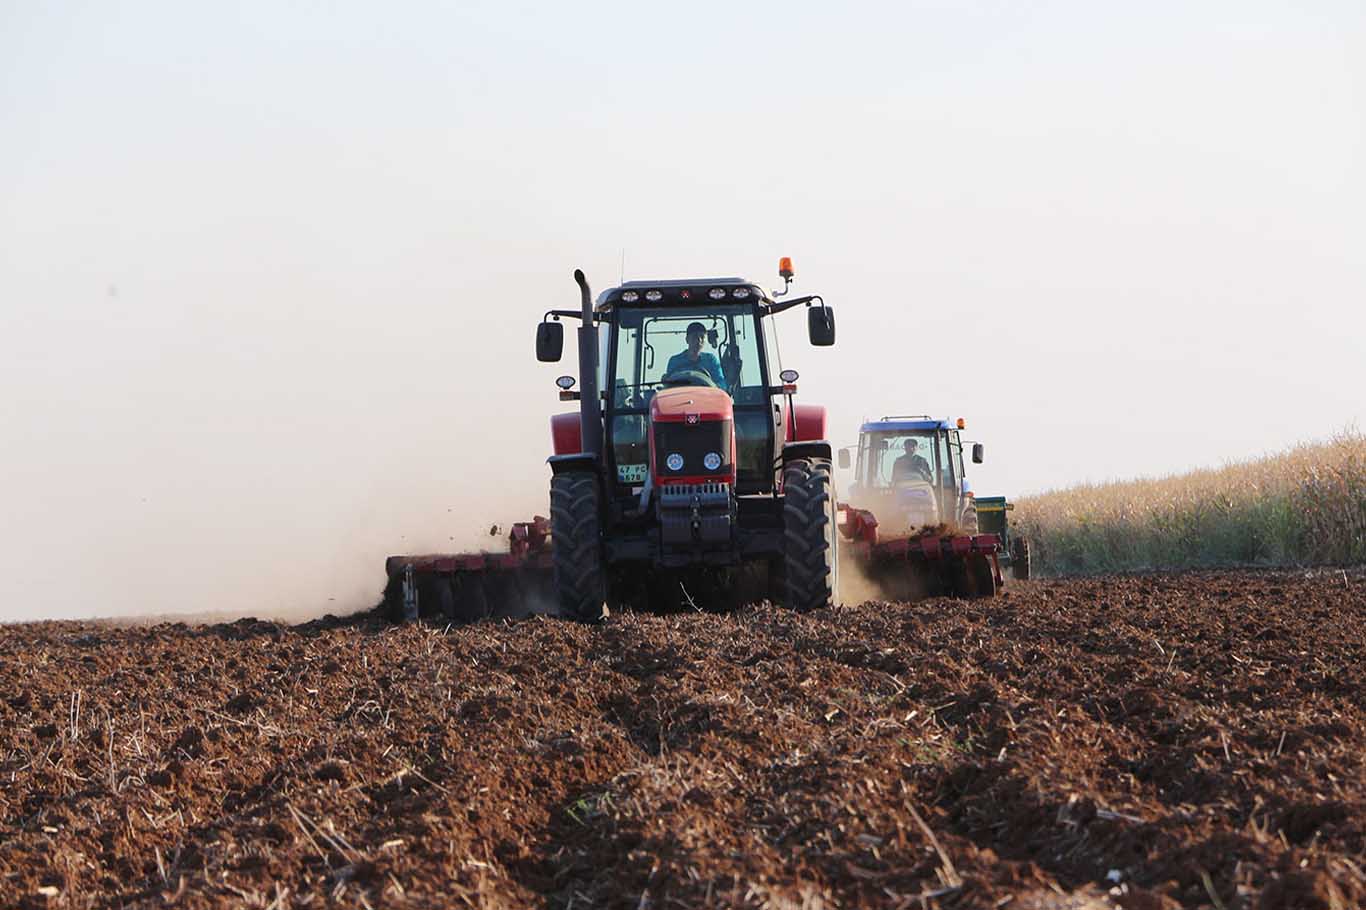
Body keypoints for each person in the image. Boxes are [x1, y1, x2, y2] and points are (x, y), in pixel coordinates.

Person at [664, 321, 726, 389]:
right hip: (681, 397)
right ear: (687, 339)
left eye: (702, 337)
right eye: (695, 336)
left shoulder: (711, 360)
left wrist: (715, 387)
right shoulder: (675, 361)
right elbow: (669, 385)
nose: (699, 340)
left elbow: (721, 383)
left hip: (706, 397)